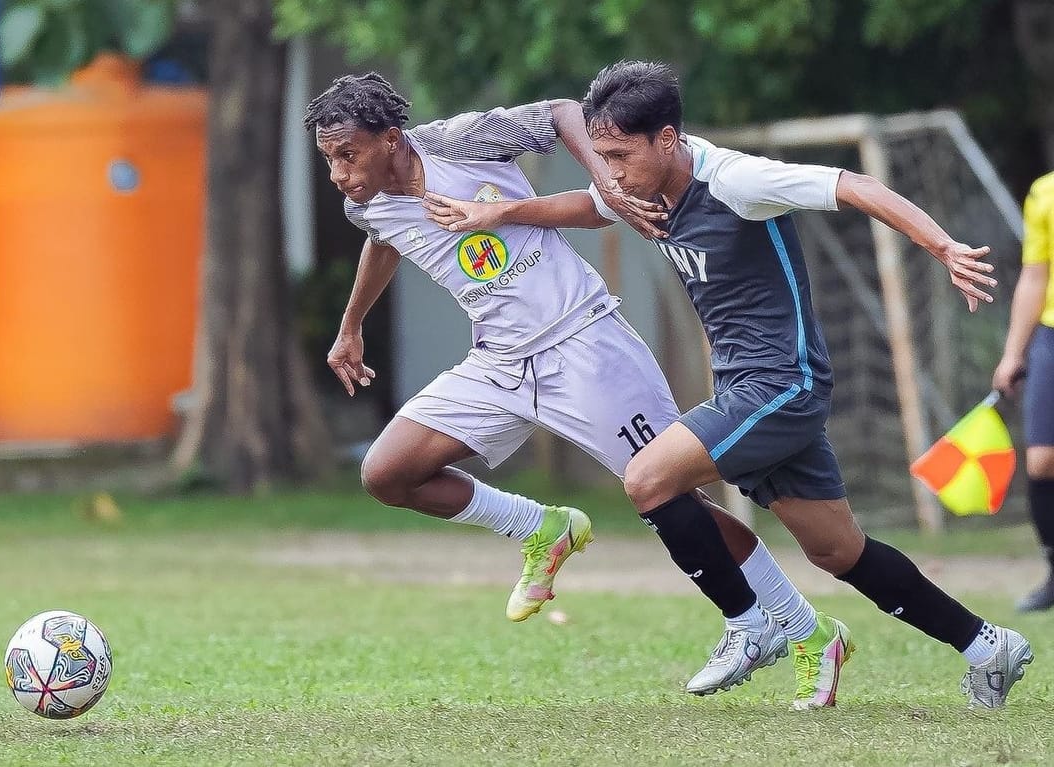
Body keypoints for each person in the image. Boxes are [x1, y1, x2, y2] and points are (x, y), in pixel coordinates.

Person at [422, 60, 1034, 709]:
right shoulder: (646, 187)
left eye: (620, 155)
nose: (612, 170)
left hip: (780, 383)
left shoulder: (736, 180)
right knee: (837, 550)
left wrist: (942, 248)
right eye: (600, 155)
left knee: (648, 477)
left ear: (667, 139)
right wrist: (505, 212)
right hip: (748, 385)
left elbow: (853, 184)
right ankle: (987, 645)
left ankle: (750, 626)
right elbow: (592, 205)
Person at [304, 72, 843, 707]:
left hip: (584, 344)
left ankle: (806, 631)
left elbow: (563, 111)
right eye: (328, 159)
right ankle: (542, 527)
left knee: (674, 497)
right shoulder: (364, 202)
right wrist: (350, 327)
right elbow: (382, 238)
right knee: (388, 472)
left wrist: (608, 181)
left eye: (347, 154)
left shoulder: (457, 141)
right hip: (499, 361)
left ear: (390, 138)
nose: (338, 173)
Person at [993, 170, 1054, 611]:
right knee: (1042, 459)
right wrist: (1014, 352)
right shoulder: (1044, 191)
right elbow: (1035, 276)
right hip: (1051, 335)